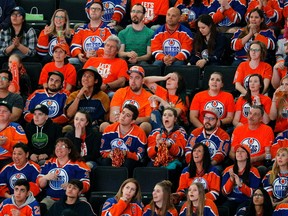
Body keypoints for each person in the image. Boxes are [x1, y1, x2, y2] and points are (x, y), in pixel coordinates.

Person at [36, 137, 90, 210]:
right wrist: (46, 177)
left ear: (69, 150)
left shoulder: (79, 164)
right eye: (57, 146)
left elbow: (86, 185)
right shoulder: (48, 163)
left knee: (83, 208)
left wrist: (73, 186)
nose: (59, 148)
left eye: (63, 146)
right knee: (40, 208)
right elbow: (41, 185)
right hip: (51, 199)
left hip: (73, 200)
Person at [100, 104, 147, 176]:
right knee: (105, 162)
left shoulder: (139, 133)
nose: (123, 116)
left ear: (132, 121)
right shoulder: (109, 129)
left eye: (127, 115)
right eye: (123, 112)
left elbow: (140, 156)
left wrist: (126, 154)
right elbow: (103, 151)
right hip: (112, 159)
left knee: (128, 163)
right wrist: (110, 155)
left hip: (129, 162)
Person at [104, 65, 152, 135]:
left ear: (142, 81)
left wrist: (130, 120)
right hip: (119, 124)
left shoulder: (149, 97)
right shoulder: (120, 92)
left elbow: (149, 118)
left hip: (137, 126)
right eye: (131, 77)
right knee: (104, 125)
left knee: (145, 125)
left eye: (137, 78)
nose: (133, 81)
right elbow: (113, 117)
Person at [70, 1, 115, 65]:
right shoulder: (81, 29)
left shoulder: (109, 29)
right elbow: (74, 45)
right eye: (92, 8)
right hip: (84, 60)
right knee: (70, 61)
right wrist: (79, 54)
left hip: (102, 61)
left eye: (97, 9)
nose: (94, 10)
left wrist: (97, 53)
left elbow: (110, 47)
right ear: (88, 11)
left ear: (102, 13)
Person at [222, 144, 261, 215]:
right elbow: (225, 192)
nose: (239, 153)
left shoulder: (254, 171)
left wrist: (240, 185)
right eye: (237, 151)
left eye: (242, 151)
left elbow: (253, 194)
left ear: (247, 156)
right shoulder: (228, 170)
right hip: (231, 200)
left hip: (246, 201)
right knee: (224, 211)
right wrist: (231, 180)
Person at [0, 100, 27, 170]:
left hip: (9, 160)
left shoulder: (15, 127)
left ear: (10, 114)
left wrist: (7, 142)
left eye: (5, 111)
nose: (1, 113)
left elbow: (23, 146)